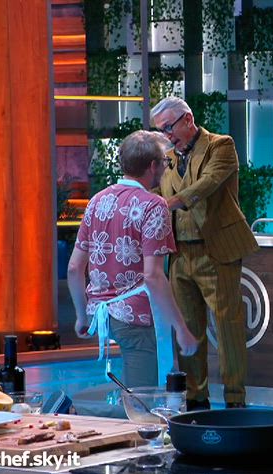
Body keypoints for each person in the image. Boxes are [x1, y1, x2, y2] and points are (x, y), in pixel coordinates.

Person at [66, 130, 199, 396]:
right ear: (153, 166)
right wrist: (181, 328)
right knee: (143, 402)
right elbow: (153, 276)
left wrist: (81, 315)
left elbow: (74, 268)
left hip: (101, 316)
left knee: (127, 395)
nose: (166, 168)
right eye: (165, 162)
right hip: (136, 318)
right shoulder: (153, 206)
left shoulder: (97, 201)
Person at [150, 96, 259, 410]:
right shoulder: (167, 157)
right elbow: (155, 191)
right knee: (187, 329)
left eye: (168, 127)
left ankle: (235, 400)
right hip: (179, 254)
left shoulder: (220, 146)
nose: (166, 135)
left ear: (187, 119)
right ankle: (196, 400)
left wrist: (168, 203)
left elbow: (207, 184)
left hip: (216, 251)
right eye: (160, 130)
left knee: (227, 328)